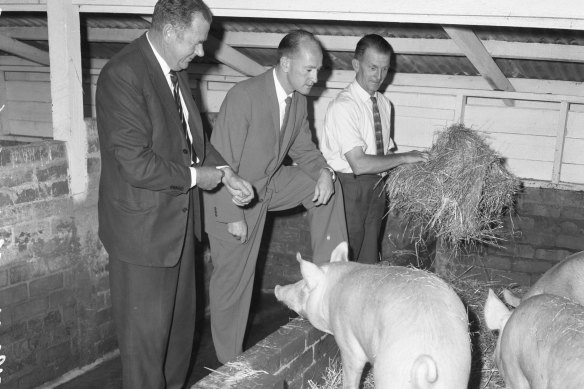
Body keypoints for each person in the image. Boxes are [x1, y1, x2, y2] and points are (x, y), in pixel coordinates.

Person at [95, 0, 253, 387]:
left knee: (180, 340)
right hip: (143, 237)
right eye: (196, 43)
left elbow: (191, 140)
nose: (201, 52)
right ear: (168, 33)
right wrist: (198, 177)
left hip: (180, 231)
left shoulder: (175, 69)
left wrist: (226, 172)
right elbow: (134, 162)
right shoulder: (123, 74)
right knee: (146, 352)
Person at [203, 29, 348, 363]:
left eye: (319, 70)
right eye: (309, 69)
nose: (316, 77)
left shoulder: (297, 101)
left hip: (266, 185)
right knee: (235, 284)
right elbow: (220, 163)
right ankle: (231, 366)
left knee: (328, 186)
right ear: (285, 63)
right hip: (230, 197)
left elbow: (305, 150)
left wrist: (324, 171)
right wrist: (233, 217)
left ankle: (327, 279)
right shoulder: (245, 96)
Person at [320, 34, 428, 264]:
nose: (379, 76)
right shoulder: (344, 106)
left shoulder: (384, 104)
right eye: (372, 67)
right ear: (356, 65)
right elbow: (358, 163)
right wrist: (405, 157)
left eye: (384, 69)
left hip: (377, 190)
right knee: (341, 264)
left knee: (367, 263)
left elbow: (386, 155)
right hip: (349, 188)